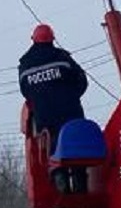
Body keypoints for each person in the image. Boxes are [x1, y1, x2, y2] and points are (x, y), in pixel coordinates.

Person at [18, 23, 88, 157]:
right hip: (71, 116)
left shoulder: (25, 65)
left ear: (33, 39)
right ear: (52, 39)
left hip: (44, 120)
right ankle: (78, 174)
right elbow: (81, 80)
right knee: (78, 156)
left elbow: (25, 92)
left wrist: (39, 100)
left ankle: (58, 175)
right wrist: (72, 97)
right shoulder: (62, 58)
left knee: (53, 158)